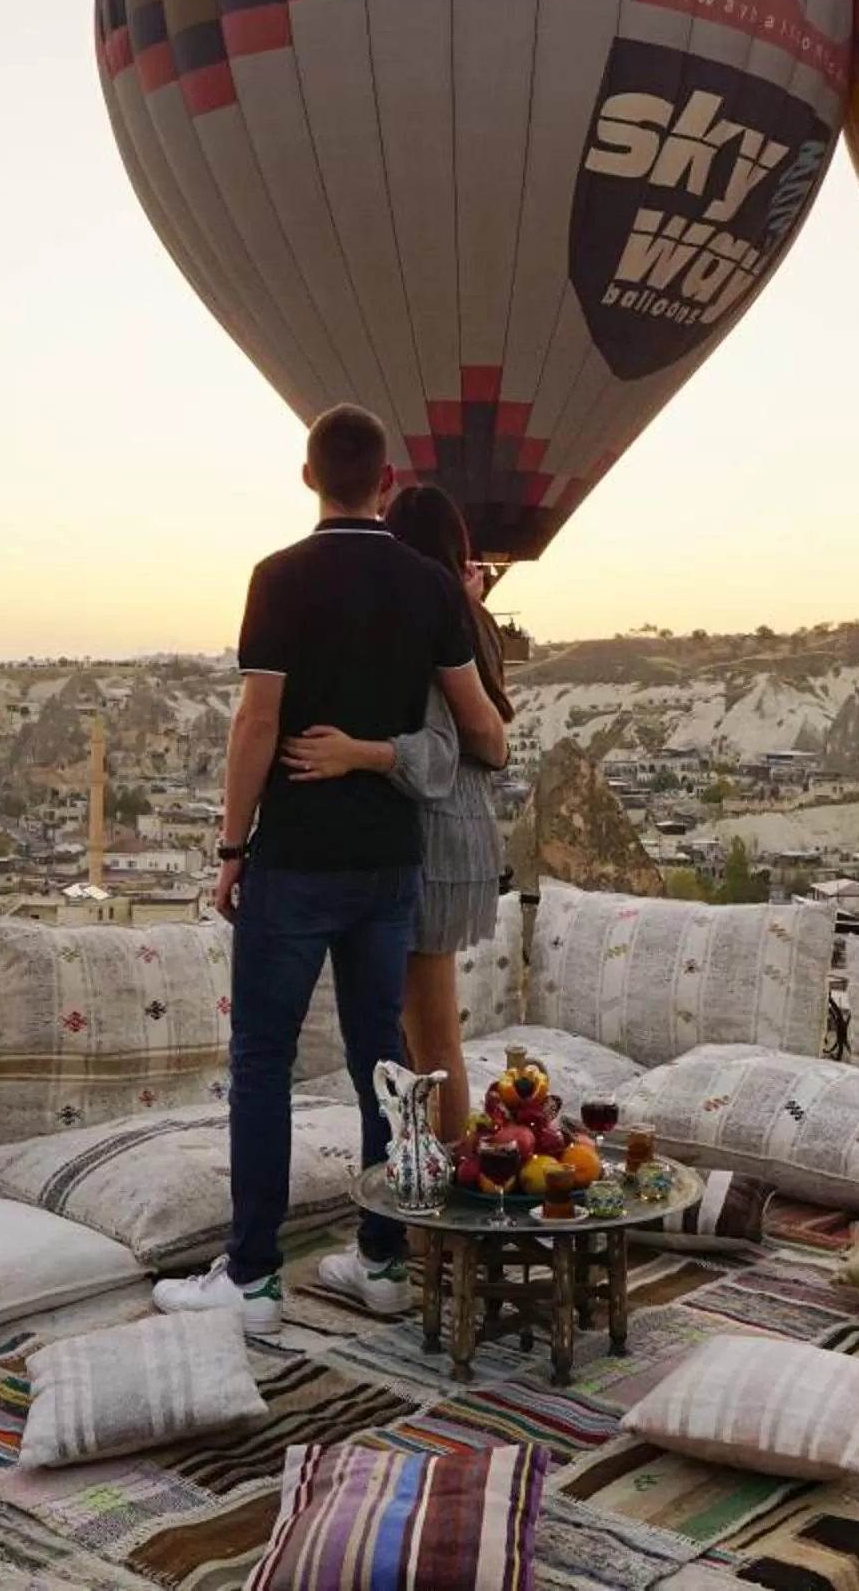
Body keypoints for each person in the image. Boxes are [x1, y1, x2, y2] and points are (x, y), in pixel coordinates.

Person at [154, 405, 508, 1333]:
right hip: (390, 863)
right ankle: (383, 1261)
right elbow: (478, 721)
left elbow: (256, 723)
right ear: (386, 482)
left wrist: (233, 847)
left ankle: (255, 1277)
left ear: (309, 477)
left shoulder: (279, 577)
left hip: (300, 858)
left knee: (263, 1063)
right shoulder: (430, 587)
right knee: (383, 1067)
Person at [280, 483, 513, 1149]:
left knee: (430, 1039)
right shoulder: (467, 620)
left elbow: (460, 739)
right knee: (425, 1036)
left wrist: (355, 753)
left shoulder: (435, 626)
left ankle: (436, 1199)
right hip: (462, 832)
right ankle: (437, 1190)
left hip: (434, 833)